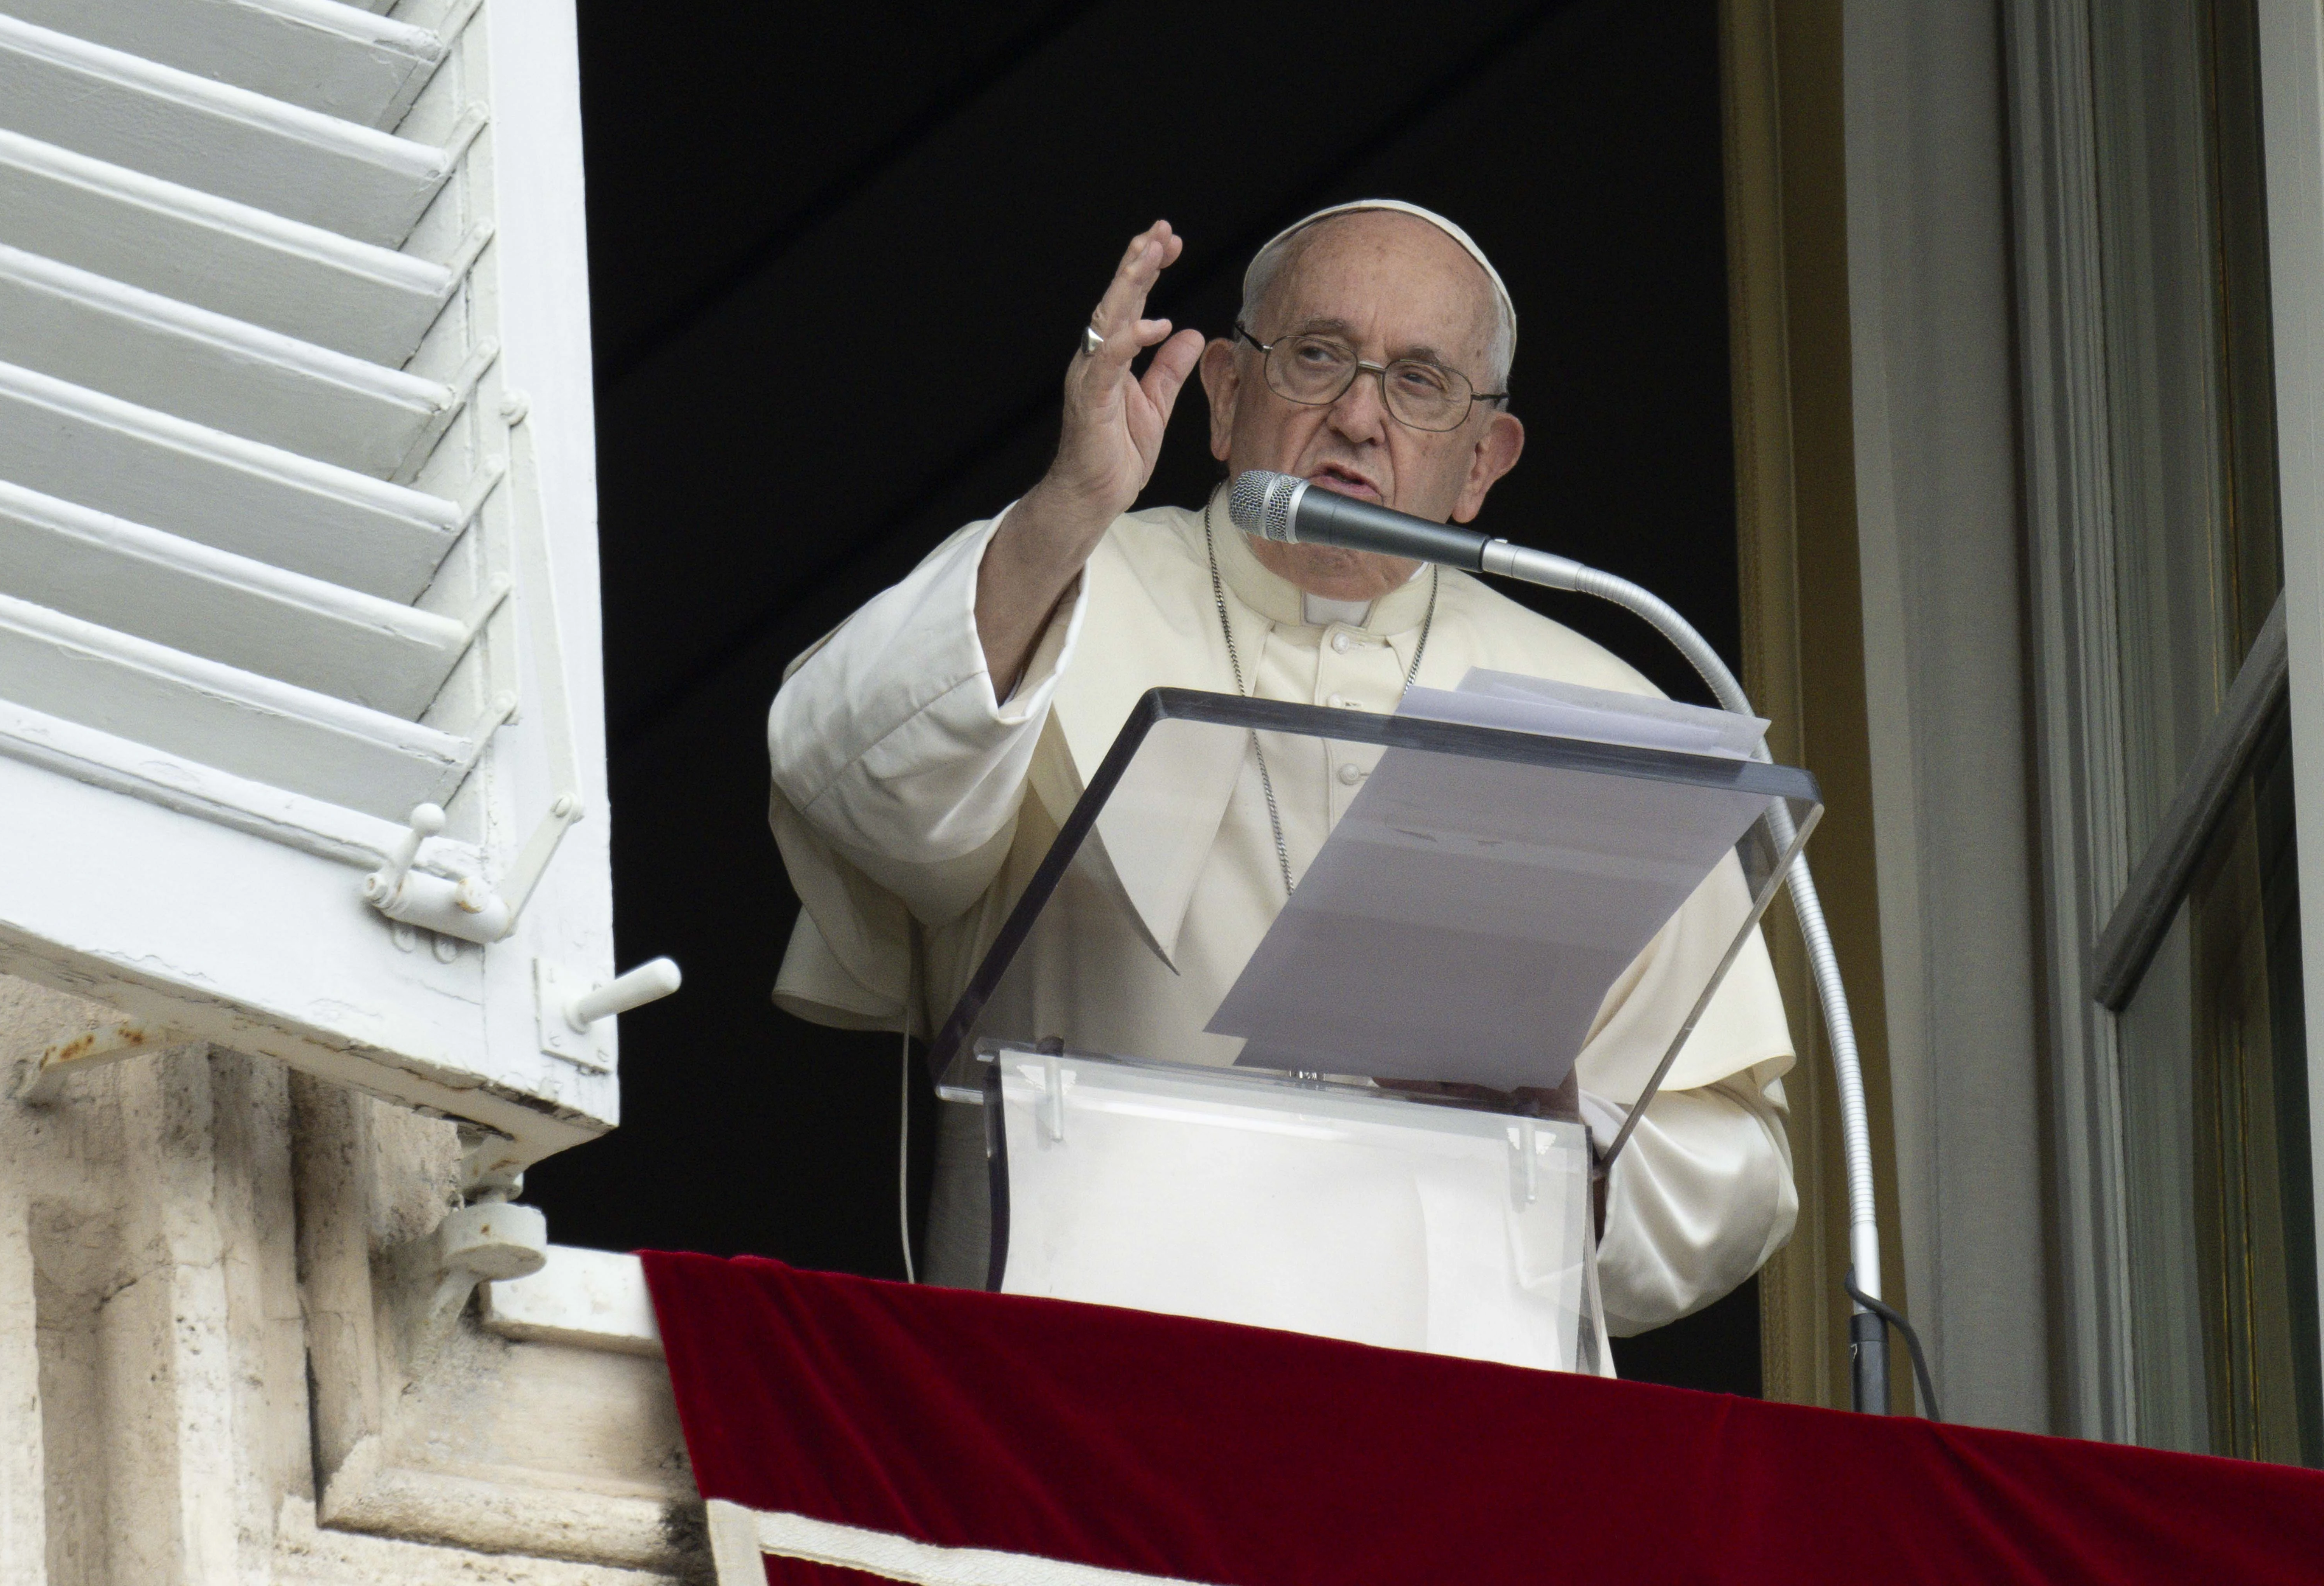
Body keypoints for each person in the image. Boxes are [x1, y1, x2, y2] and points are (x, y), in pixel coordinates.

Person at [765, 201, 1798, 1340]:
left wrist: (1570, 1147)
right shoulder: (1052, 581)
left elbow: (1733, 1166)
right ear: (1221, 394)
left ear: (1482, 463)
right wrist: (1066, 507)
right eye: (1316, 357)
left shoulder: (1601, 708)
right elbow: (853, 784)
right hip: (1074, 1384)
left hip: (1452, 1420)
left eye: (1418, 382)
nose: (1357, 416)